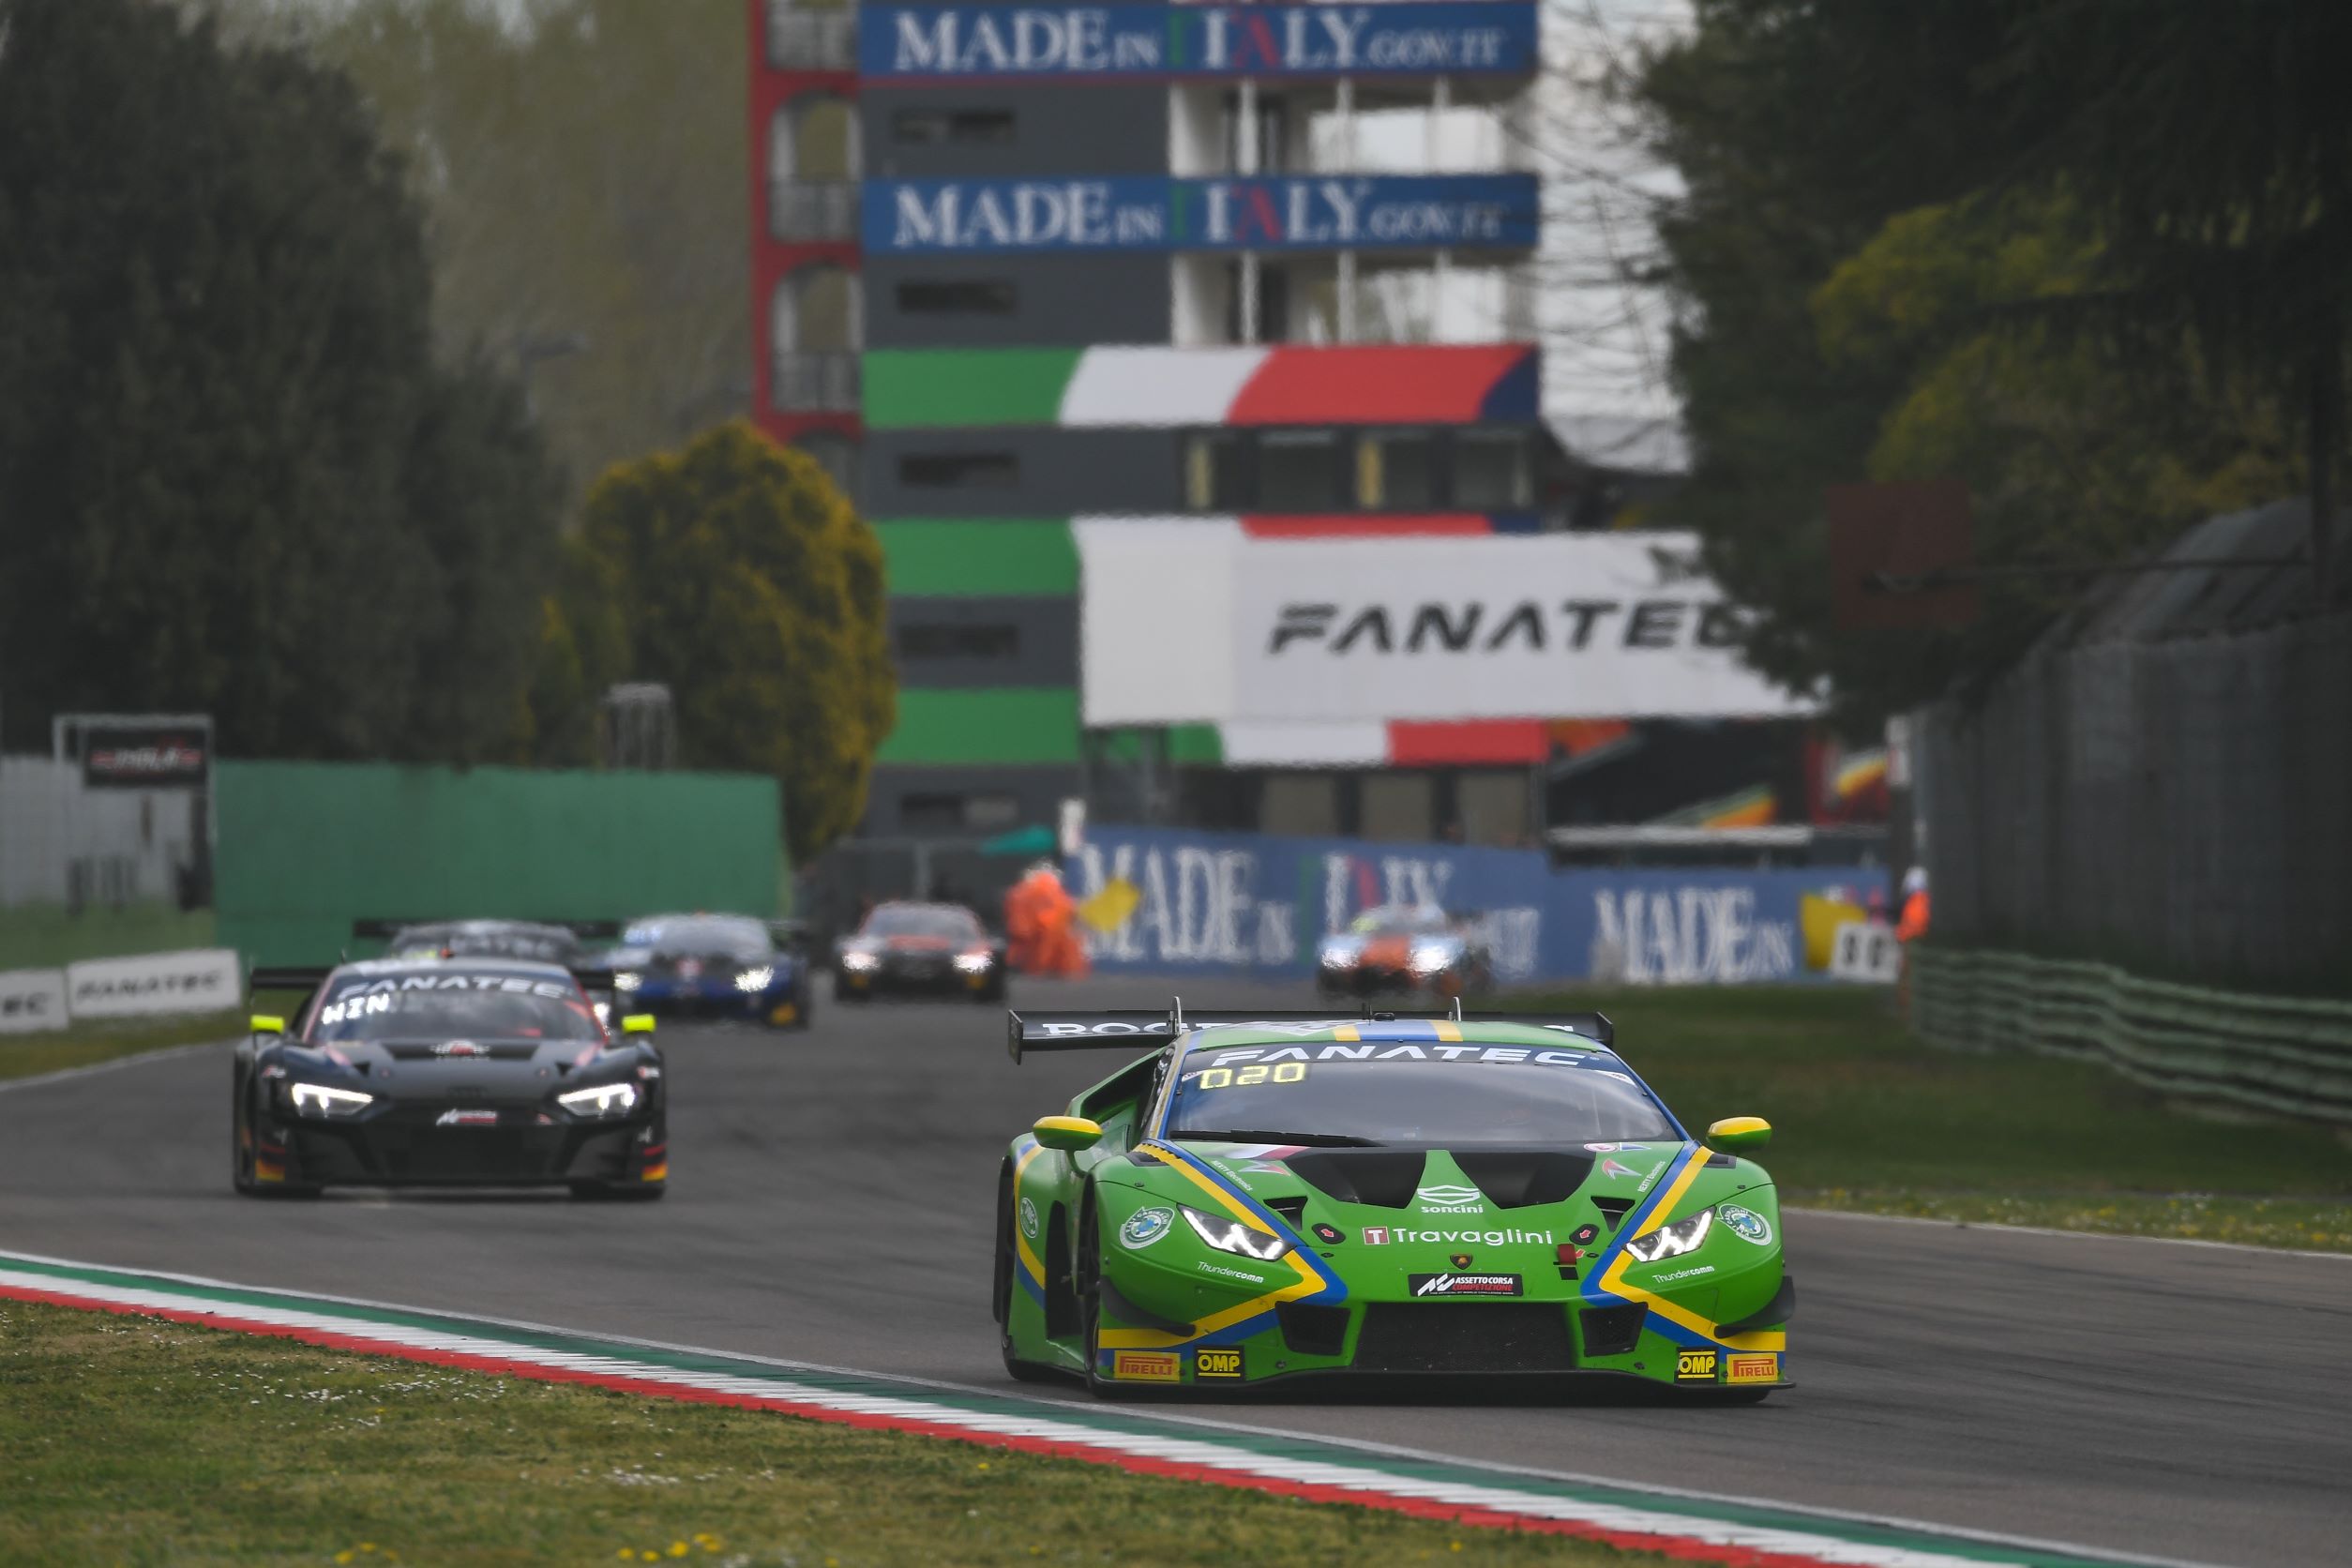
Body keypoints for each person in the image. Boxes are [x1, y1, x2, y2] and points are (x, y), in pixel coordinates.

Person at [1895, 867, 1931, 943]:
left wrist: (1899, 933)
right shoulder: (1917, 900)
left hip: (1914, 943)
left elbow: (1915, 927)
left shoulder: (1917, 902)